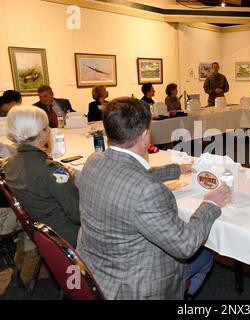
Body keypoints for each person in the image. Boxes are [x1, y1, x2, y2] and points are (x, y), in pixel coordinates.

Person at [76, 97, 231, 300]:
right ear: (145, 135)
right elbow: (185, 245)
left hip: (91, 271)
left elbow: (128, 173)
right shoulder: (147, 191)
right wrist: (210, 203)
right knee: (206, 254)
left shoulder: (94, 161)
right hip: (133, 288)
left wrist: (176, 170)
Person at [3, 106, 80, 246]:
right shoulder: (53, 170)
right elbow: (78, 212)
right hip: (68, 236)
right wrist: (67, 178)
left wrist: (64, 176)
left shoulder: (9, 164)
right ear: (40, 134)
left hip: (41, 233)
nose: (49, 130)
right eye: (46, 127)